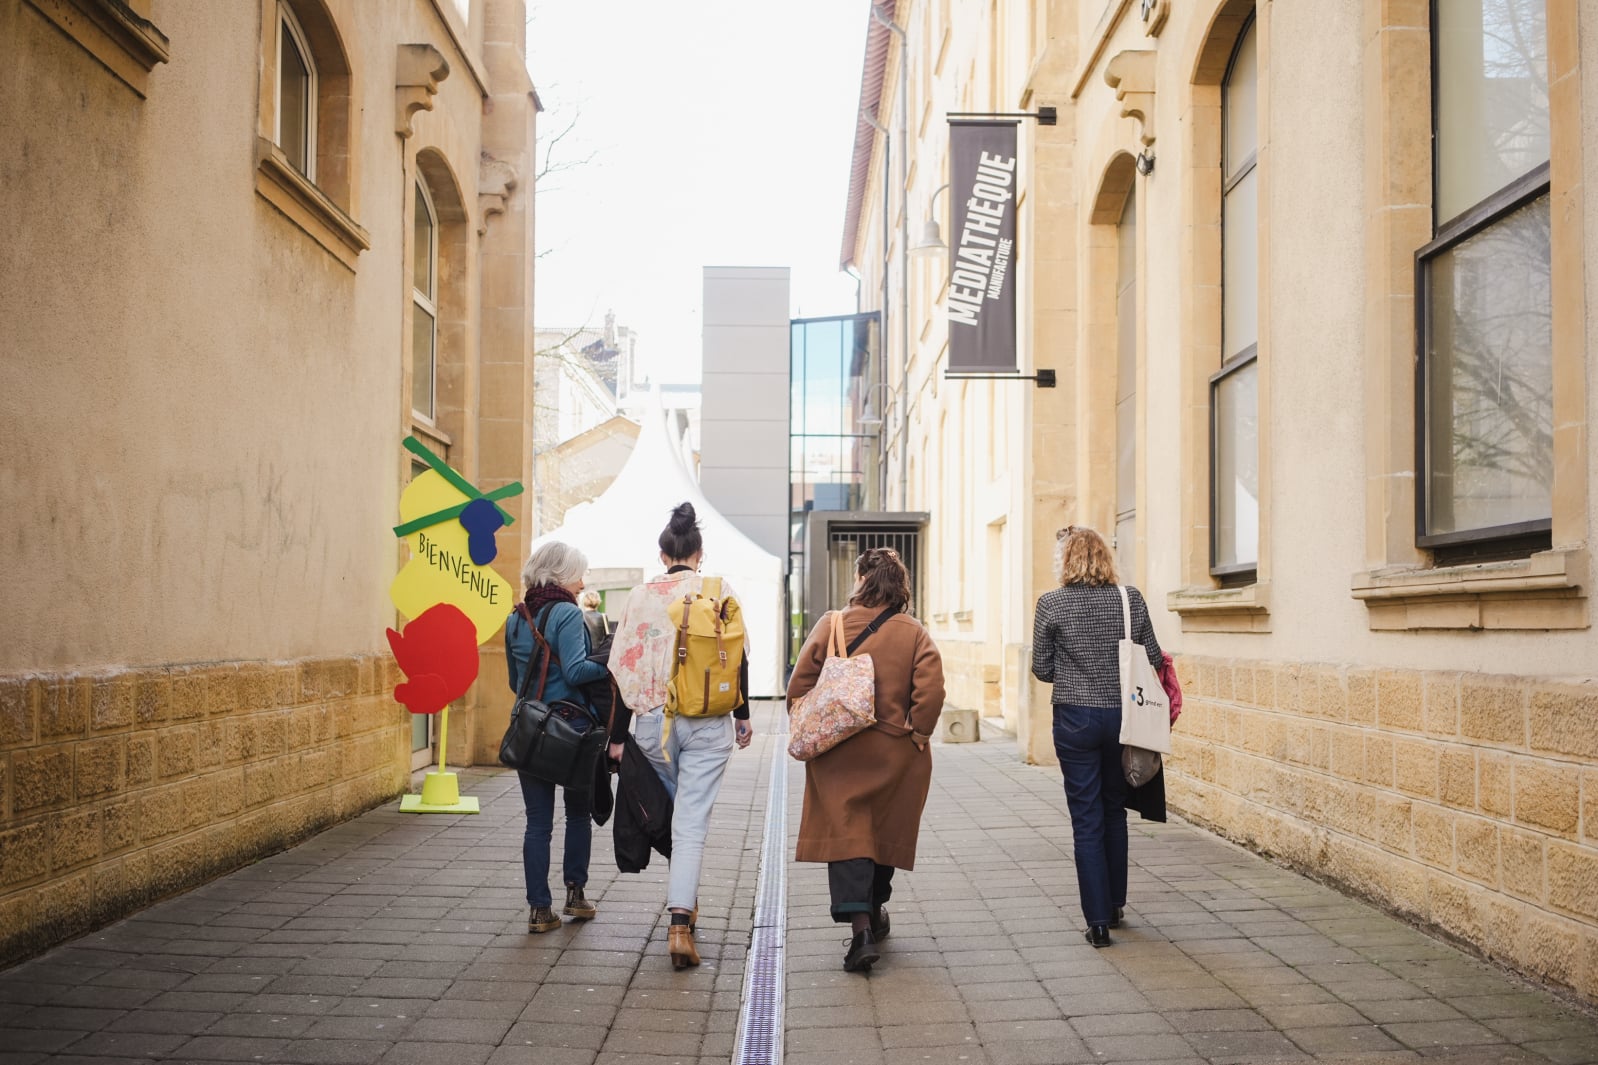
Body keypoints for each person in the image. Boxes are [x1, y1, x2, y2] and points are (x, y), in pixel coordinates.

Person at [606, 502, 753, 968]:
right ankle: (679, 923)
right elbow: (737, 657)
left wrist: (616, 737)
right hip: (708, 723)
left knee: (676, 818)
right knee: (689, 823)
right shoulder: (718, 590)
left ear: (663, 554)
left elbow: (617, 671)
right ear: (699, 553)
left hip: (653, 724)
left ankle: (684, 903)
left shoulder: (638, 596)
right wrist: (744, 716)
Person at [787, 547, 945, 974]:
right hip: (894, 753)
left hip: (838, 753)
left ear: (861, 580)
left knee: (848, 835)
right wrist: (919, 734)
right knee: (882, 830)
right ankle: (874, 910)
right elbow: (931, 691)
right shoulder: (914, 632)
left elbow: (798, 687)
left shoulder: (832, 624)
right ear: (899, 585)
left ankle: (861, 931)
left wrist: (818, 720)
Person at [1030, 525, 1164, 948]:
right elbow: (1154, 657)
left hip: (1075, 720)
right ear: (1106, 557)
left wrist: (1075, 668)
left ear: (1064, 561)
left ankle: (1098, 921)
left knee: (1085, 818)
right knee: (1113, 810)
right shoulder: (1130, 599)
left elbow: (1042, 669)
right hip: (1123, 718)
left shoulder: (1051, 603)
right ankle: (1116, 904)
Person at [506, 541, 610, 934]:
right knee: (577, 814)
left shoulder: (516, 617)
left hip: (530, 729)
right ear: (562, 575)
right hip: (570, 731)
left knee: (537, 822)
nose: (582, 583)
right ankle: (575, 895)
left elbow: (514, 681)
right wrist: (611, 663)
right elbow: (577, 671)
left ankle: (539, 910)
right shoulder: (567, 612)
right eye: (579, 575)